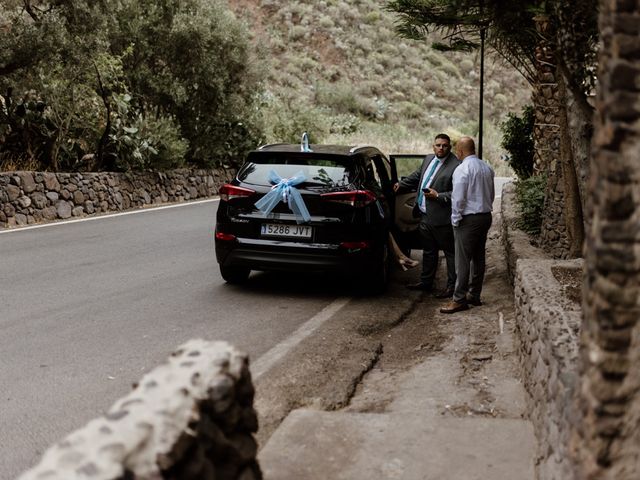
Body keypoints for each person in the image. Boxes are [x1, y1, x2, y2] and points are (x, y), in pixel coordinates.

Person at [394, 133, 460, 296]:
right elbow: (418, 176)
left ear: (449, 147)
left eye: (445, 145)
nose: (441, 148)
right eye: (438, 145)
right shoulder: (429, 158)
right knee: (428, 251)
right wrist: (401, 185)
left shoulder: (456, 166)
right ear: (433, 146)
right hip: (424, 215)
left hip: (442, 218)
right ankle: (426, 282)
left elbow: (458, 194)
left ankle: (452, 287)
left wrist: (438, 195)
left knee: (450, 253)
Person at [440, 136, 495, 314]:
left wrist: (455, 220)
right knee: (479, 257)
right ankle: (474, 294)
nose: (456, 153)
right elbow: (492, 194)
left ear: (461, 151)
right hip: (485, 216)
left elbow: (458, 199)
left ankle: (459, 299)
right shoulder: (487, 167)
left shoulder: (462, 169)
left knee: (462, 260)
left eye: (457, 150)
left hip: (468, 219)